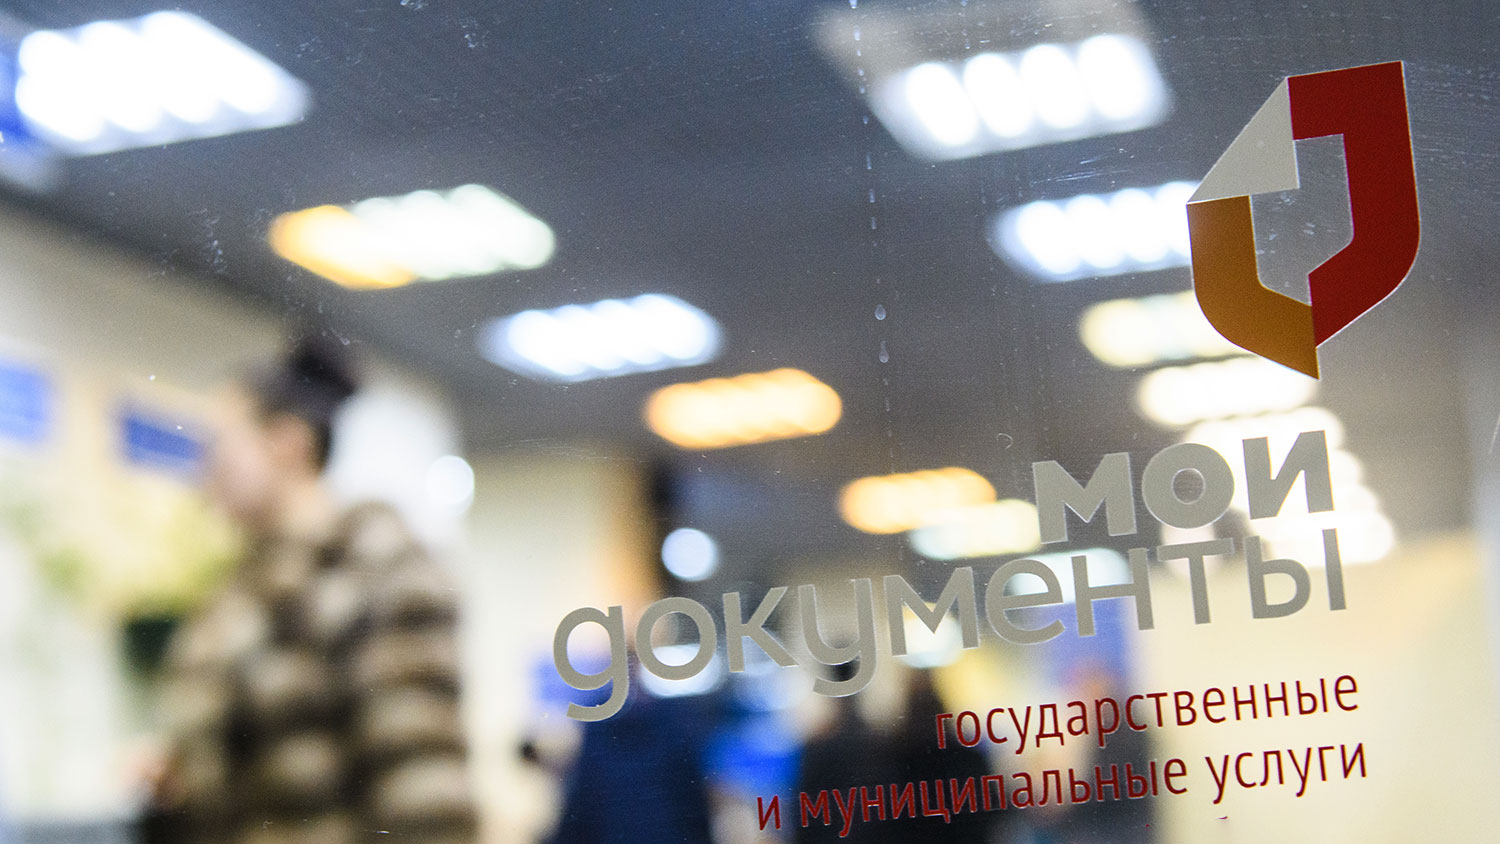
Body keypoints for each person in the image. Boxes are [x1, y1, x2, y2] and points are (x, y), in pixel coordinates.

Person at [148, 336, 476, 844]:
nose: (205, 471)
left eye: (220, 447)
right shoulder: (237, 592)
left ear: (288, 442)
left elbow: (421, 796)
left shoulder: (377, 568)